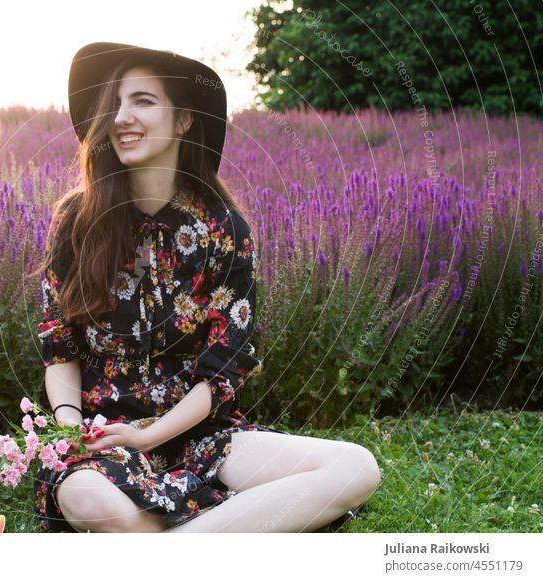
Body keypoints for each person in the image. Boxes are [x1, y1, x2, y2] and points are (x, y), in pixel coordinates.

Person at [32, 42, 381, 533]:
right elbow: (59, 347)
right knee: (87, 499)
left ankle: (172, 551)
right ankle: (229, 534)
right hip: (105, 443)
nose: (122, 117)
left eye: (143, 101)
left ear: (183, 120)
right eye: (114, 104)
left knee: (356, 467)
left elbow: (223, 372)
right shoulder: (78, 221)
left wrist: (151, 437)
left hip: (202, 436)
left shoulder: (224, 230)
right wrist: (69, 429)